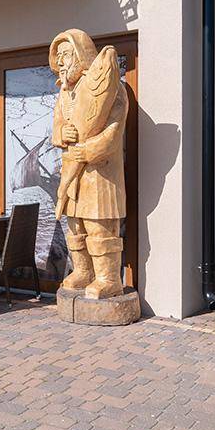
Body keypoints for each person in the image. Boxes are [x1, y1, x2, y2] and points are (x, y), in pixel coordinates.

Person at [49, 29, 128, 299]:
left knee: (99, 227)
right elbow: (56, 128)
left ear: (81, 54)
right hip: (72, 175)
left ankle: (108, 278)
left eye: (66, 54)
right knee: (75, 226)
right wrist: (61, 133)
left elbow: (113, 133)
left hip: (99, 174)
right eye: (58, 56)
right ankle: (83, 271)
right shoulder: (64, 94)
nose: (60, 61)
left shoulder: (111, 88)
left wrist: (89, 150)